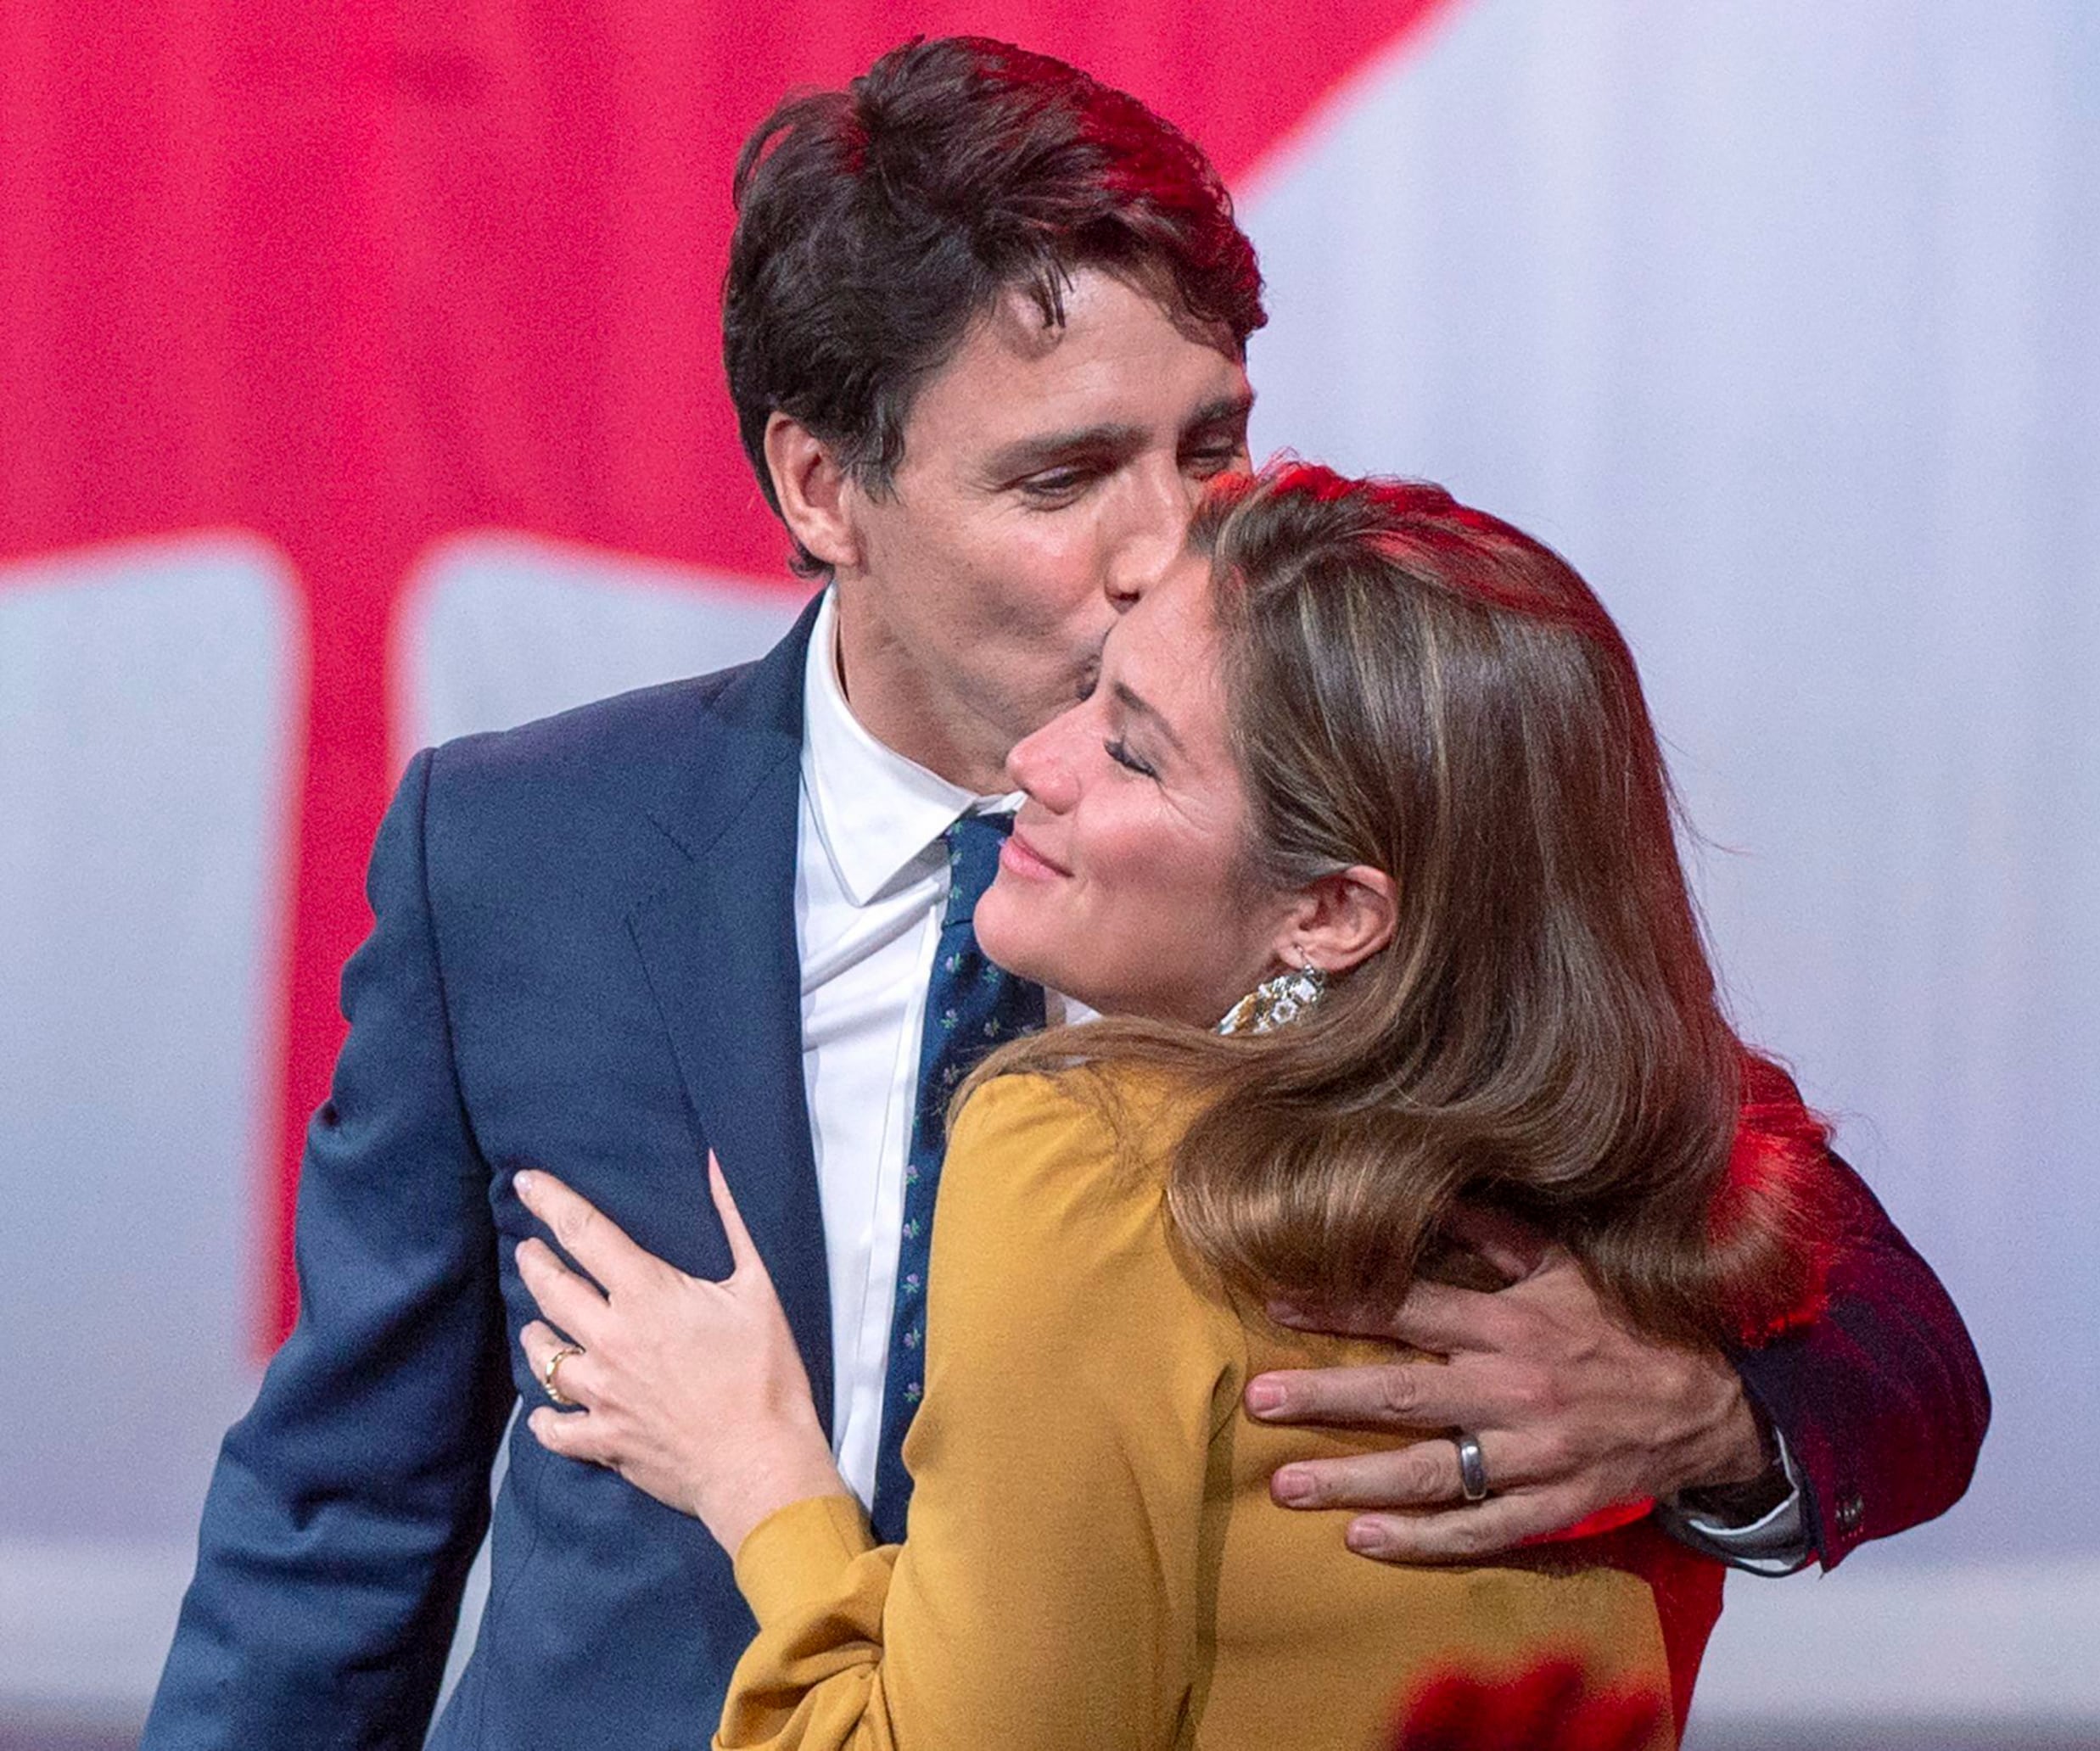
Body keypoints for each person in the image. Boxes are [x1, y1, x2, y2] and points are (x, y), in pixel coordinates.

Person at [144, 37, 1987, 1751]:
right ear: (821, 484)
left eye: (1206, 443)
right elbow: (342, 1510)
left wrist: (1708, 1422)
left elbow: (1880, 1339)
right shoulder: (527, 847)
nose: (1164, 545)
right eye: (1060, 475)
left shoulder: (1371, 809)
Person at [506, 462, 1861, 1749]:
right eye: (1094, 693)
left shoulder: (1088, 1164)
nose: (1036, 760)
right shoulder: (1676, 1168)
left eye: (1137, 756)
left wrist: (763, 1483)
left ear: (1330, 913)